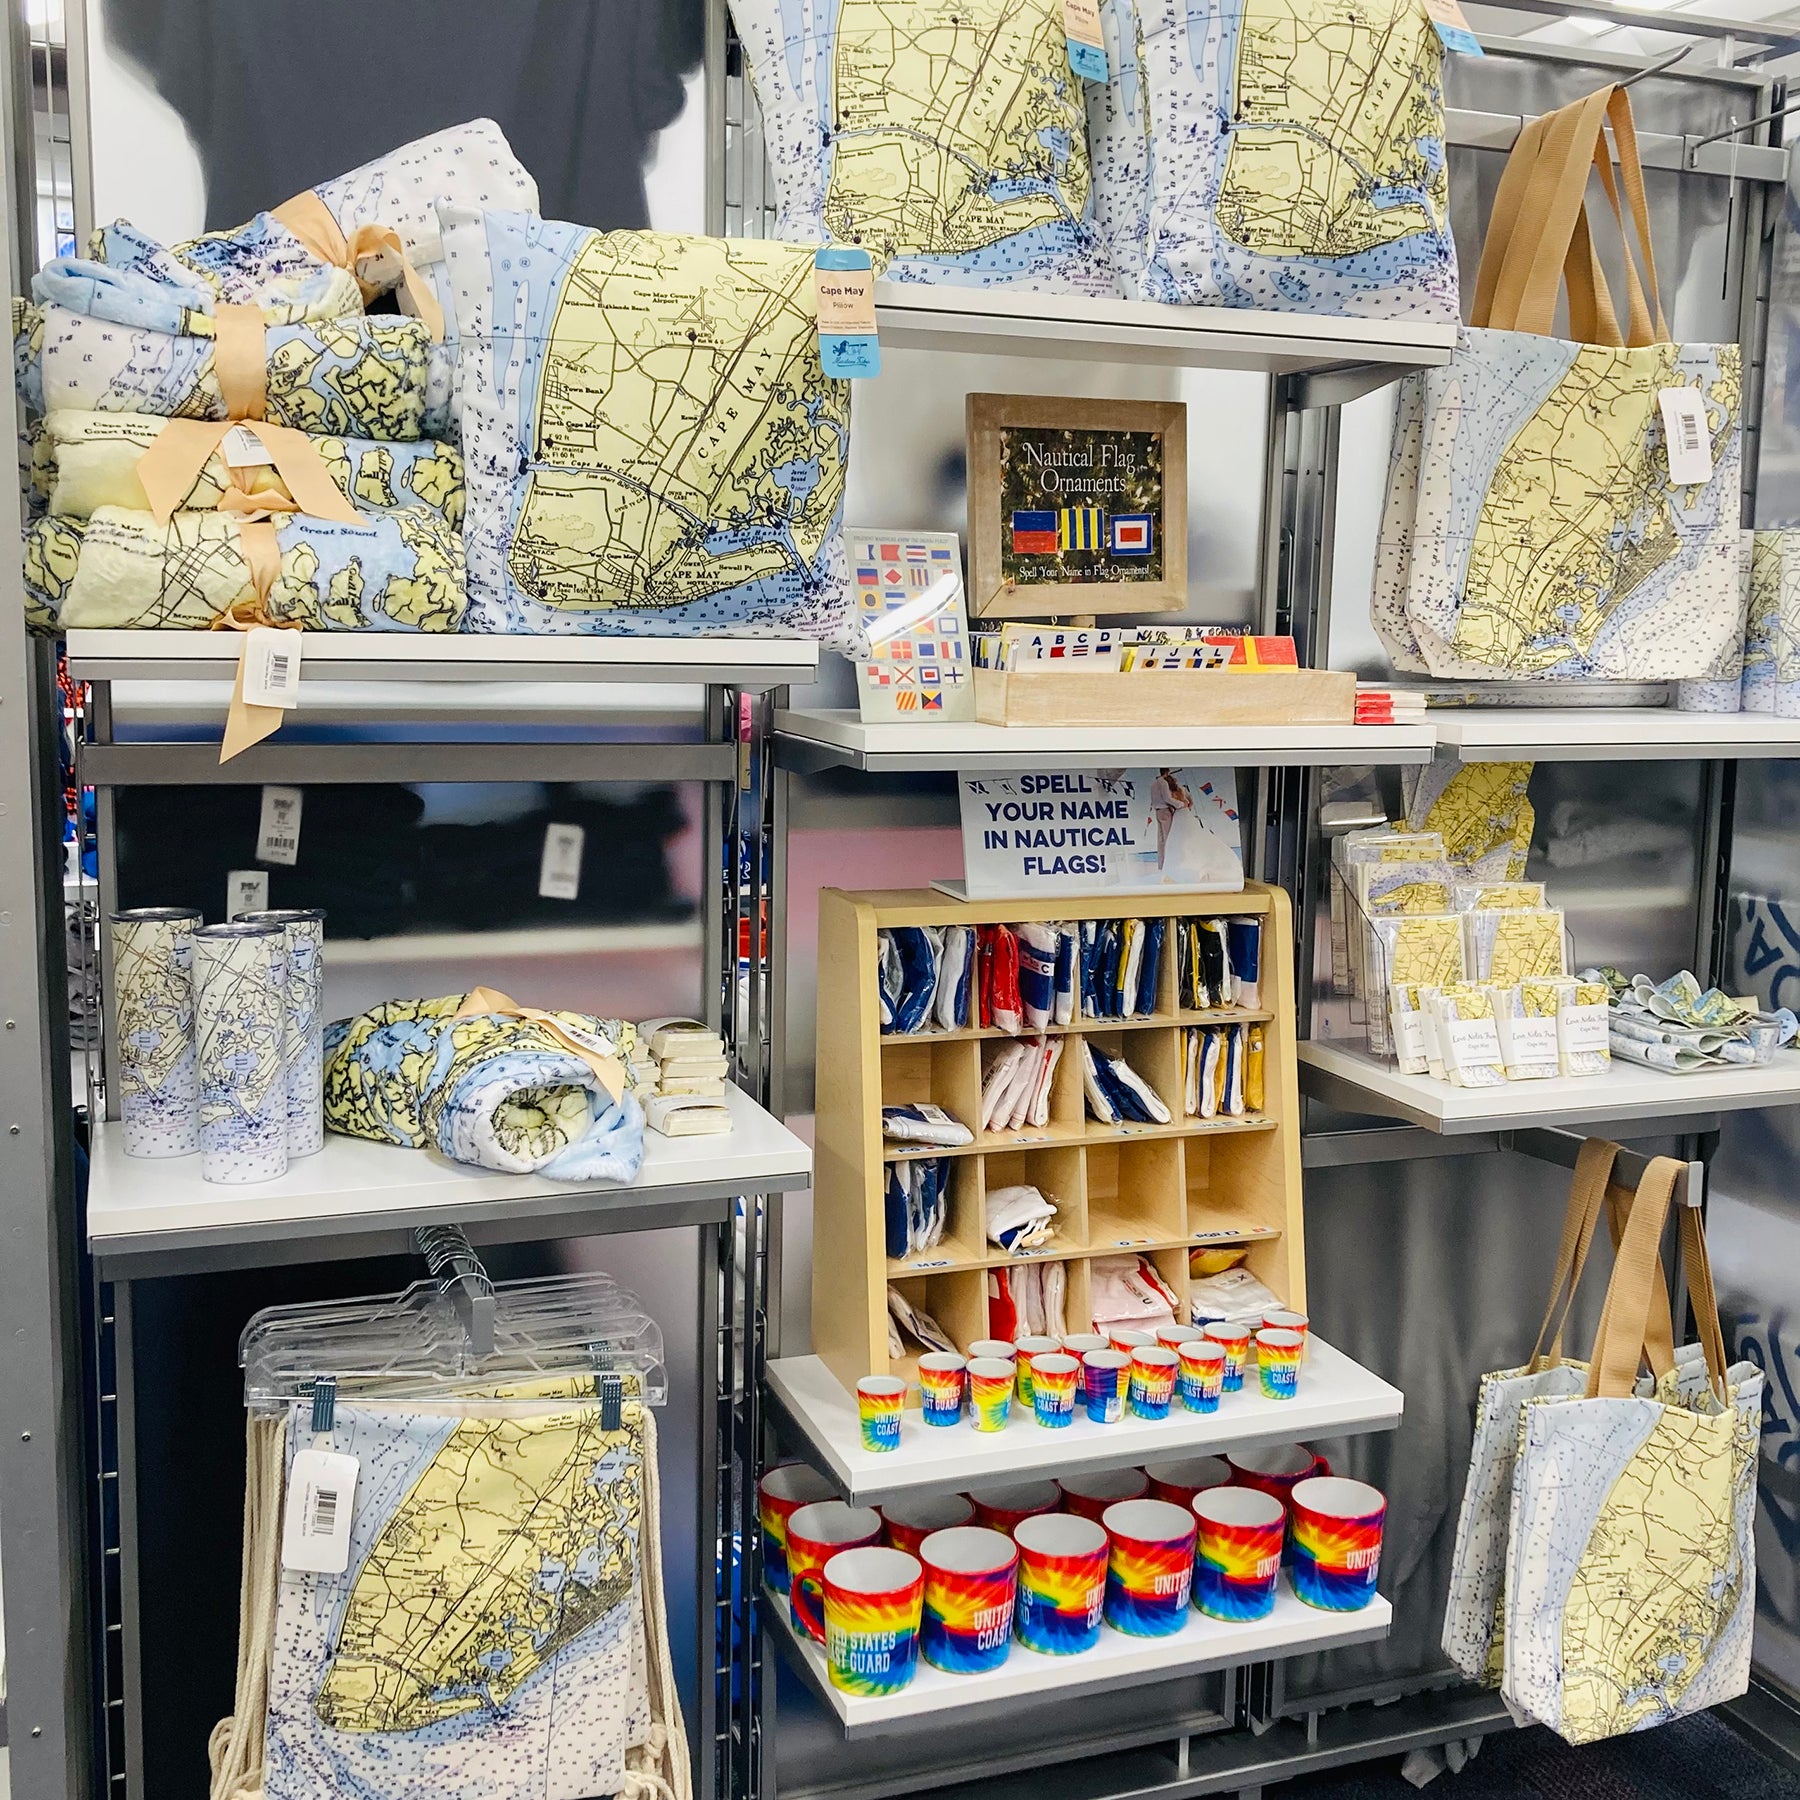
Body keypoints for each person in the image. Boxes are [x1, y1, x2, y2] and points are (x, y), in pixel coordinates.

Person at [1149, 767, 1194, 869]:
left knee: (1161, 840)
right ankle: (1170, 864)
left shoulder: (1153, 784)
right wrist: (1181, 804)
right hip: (1165, 811)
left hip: (1158, 811)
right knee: (1168, 838)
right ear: (1167, 772)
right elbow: (1167, 798)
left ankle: (1162, 864)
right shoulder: (1163, 783)